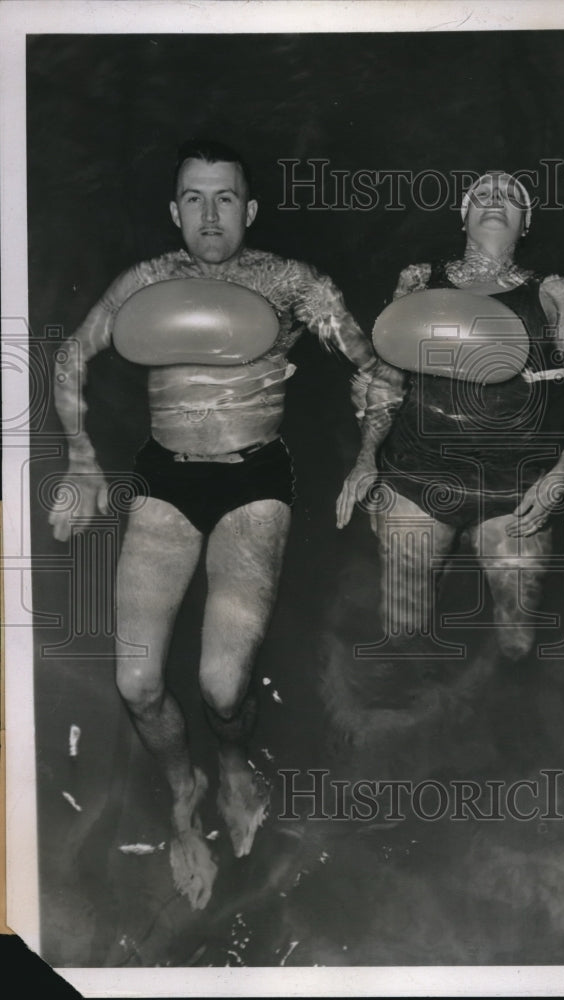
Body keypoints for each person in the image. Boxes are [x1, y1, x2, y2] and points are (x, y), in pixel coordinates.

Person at [49, 138, 403, 909]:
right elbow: (72, 355)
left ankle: (235, 758)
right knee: (137, 682)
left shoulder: (289, 284)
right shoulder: (145, 285)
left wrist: (371, 453)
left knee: (220, 683)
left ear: (250, 209)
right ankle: (186, 788)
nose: (210, 215)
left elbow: (374, 364)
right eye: (194, 199)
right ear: (176, 211)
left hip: (254, 482)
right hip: (165, 478)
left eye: (225, 199)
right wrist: (82, 461)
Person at [336, 171, 564, 701]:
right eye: (482, 195)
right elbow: (386, 379)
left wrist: (560, 476)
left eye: (510, 199)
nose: (494, 202)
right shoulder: (418, 280)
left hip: (515, 493)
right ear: (463, 215)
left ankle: (501, 713)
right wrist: (367, 458)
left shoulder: (551, 293)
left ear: (524, 224)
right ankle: (417, 714)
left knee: (517, 642)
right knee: (404, 631)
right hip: (414, 478)